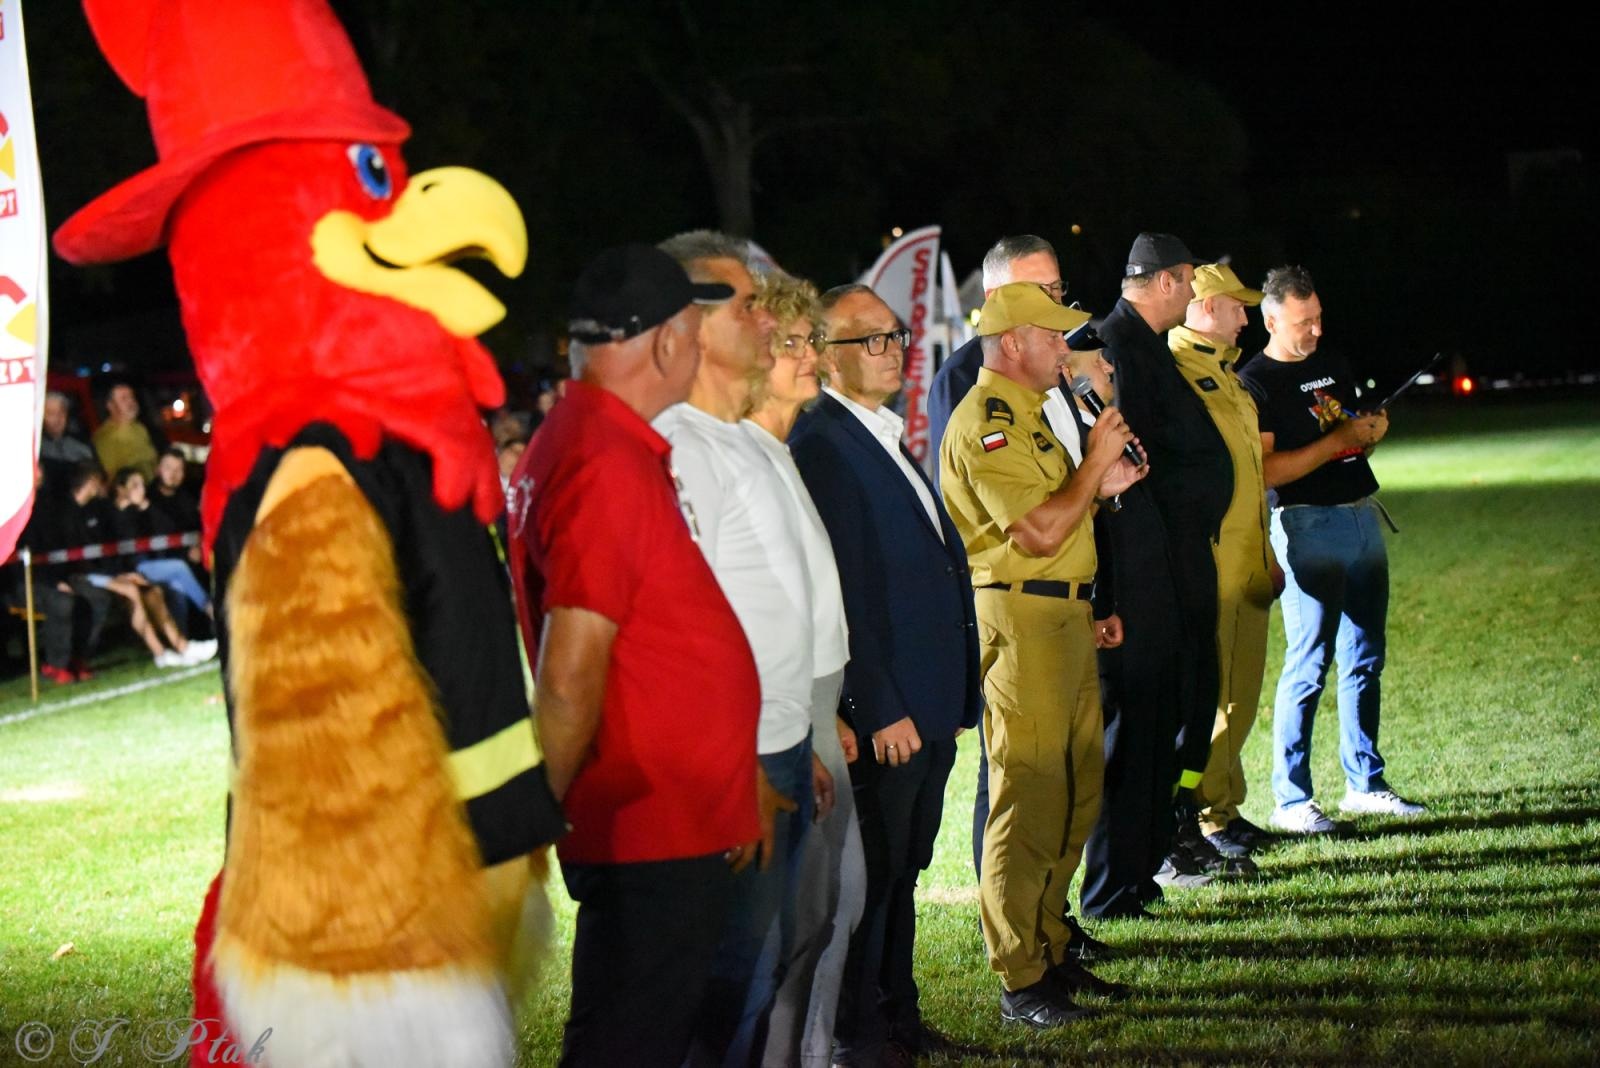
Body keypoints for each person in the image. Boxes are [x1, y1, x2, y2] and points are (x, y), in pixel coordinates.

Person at [506, 243, 761, 1068]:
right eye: (692, 330)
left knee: (645, 1025)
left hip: (660, 812)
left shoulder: (596, 442)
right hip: (647, 822)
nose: (697, 348)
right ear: (663, 344)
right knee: (631, 1038)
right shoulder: (602, 460)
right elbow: (572, 671)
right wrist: (531, 821)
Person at [940, 283, 1145, 1028]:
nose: (1066, 348)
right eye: (1053, 335)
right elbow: (1032, 533)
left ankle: (1051, 948)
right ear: (1013, 341)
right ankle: (1020, 978)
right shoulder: (985, 423)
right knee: (1026, 799)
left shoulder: (1028, 413)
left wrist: (1100, 483)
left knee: (1074, 791)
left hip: (1062, 615)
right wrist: (1094, 465)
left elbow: (1061, 510)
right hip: (1020, 620)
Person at [789, 282, 980, 1067]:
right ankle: (855, 1035)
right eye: (869, 340)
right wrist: (877, 707)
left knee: (905, 871)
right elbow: (845, 597)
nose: (891, 348)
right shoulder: (825, 445)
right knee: (871, 884)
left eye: (894, 334)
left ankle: (897, 1015)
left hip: (927, 701)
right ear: (827, 358)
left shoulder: (877, 434)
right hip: (891, 711)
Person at [652, 229, 813, 1067]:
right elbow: (684, 627)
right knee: (723, 990)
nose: (766, 321)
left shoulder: (741, 438)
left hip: (778, 744)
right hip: (735, 761)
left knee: (758, 973)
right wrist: (738, 766)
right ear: (689, 322)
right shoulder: (678, 442)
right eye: (747, 305)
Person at [1237, 266, 1425, 833]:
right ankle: (1292, 799)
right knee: (1310, 661)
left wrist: (1368, 431)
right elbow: (1267, 470)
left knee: (1366, 654)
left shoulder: (1333, 366)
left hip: (1361, 514)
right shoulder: (1256, 382)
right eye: (1303, 322)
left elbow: (1345, 432)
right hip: (1304, 524)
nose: (1316, 330)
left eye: (1318, 317)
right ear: (1271, 320)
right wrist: (1338, 442)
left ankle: (1365, 783)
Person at [1097, 233, 1244, 881]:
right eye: (1189, 282)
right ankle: (1159, 842)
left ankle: (1174, 823)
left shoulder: (1144, 345)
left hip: (1183, 556)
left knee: (1194, 693)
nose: (1193, 293)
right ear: (1166, 282)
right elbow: (1132, 464)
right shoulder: (1119, 348)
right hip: (1157, 565)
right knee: (1165, 707)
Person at [747, 273, 865, 1068]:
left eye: (810, 340)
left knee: (827, 914)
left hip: (815, 713)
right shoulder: (744, 457)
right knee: (790, 930)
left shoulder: (781, 452)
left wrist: (834, 710)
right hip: (780, 724)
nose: (809, 356)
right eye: (787, 343)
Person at [1168, 265, 1278, 857]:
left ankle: (1225, 805)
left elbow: (1250, 477)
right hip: (1214, 565)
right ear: (1206, 306)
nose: (1246, 315)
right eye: (1238, 306)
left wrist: (1264, 554)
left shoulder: (1225, 375)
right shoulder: (1181, 372)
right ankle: (1207, 813)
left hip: (1247, 563)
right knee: (1214, 698)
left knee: (1241, 693)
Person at [926, 235, 1065, 489]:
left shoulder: (1060, 357)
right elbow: (955, 490)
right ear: (993, 298)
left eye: (1055, 288)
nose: (1050, 301)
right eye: (1034, 290)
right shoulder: (959, 376)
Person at [110, 467, 213, 623]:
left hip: (149, 563)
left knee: (177, 587)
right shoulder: (110, 512)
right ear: (121, 488)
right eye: (135, 485)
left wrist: (146, 506)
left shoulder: (139, 511)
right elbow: (121, 542)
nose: (141, 489)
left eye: (142, 485)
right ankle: (210, 609)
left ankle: (182, 641)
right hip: (128, 568)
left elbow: (167, 529)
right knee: (179, 567)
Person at [91, 382, 160, 483]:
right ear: (110, 406)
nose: (131, 401)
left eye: (132, 397)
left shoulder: (140, 428)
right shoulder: (104, 438)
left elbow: (153, 460)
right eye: (124, 398)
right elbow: (111, 478)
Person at [38, 391, 97, 496]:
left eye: (62, 412)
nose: (58, 418)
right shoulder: (36, 448)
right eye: (51, 413)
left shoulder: (81, 443)